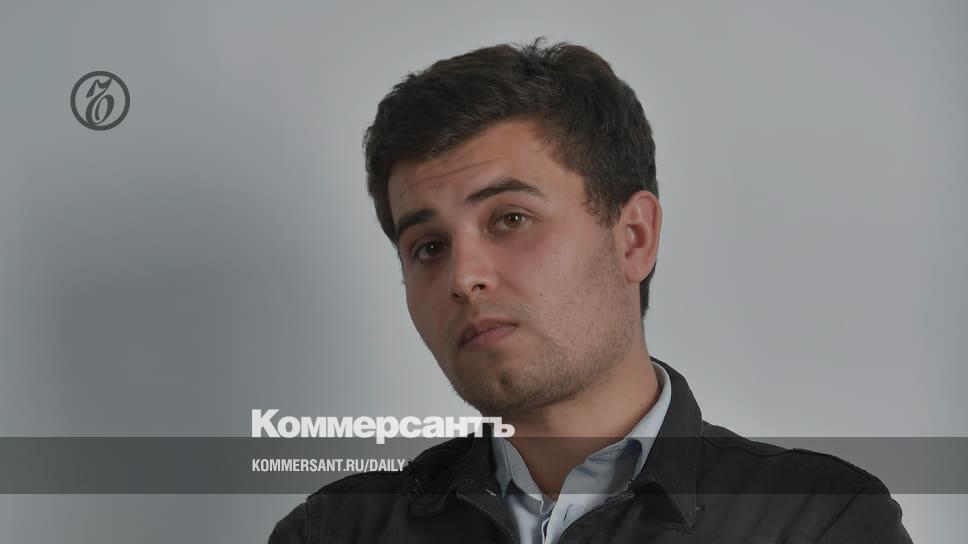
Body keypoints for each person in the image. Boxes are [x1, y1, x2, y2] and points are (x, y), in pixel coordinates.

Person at [269, 39, 912, 543]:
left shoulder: (816, 522)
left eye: (510, 219)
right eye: (428, 247)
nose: (464, 278)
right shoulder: (335, 532)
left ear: (633, 237)